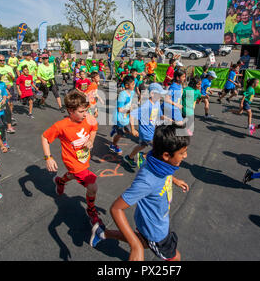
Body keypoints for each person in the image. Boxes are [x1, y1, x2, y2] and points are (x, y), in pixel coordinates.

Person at [90, 124, 190, 262]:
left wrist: (175, 180)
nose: (186, 155)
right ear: (166, 155)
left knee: (144, 242)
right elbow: (116, 208)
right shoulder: (147, 181)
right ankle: (114, 236)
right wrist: (135, 246)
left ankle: (103, 233)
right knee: (174, 258)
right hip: (156, 230)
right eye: (182, 153)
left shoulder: (159, 163)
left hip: (155, 222)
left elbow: (163, 174)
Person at [41, 90, 102, 227]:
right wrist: (48, 158)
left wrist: (91, 140)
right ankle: (91, 210)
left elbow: (94, 128)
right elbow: (45, 137)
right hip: (72, 161)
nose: (85, 114)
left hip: (84, 158)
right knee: (92, 186)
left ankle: (61, 181)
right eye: (81, 112)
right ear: (70, 110)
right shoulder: (61, 126)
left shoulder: (88, 118)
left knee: (74, 175)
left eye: (86, 110)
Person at [123, 83, 167, 168]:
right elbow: (132, 114)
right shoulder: (146, 105)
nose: (161, 96)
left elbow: (160, 115)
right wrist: (133, 129)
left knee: (142, 145)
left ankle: (129, 157)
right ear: (152, 94)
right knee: (159, 148)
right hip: (146, 132)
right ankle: (143, 156)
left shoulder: (157, 103)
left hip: (152, 129)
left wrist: (169, 119)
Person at [109, 76, 136, 155]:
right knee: (120, 134)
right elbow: (119, 109)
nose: (134, 86)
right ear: (127, 86)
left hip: (125, 116)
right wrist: (129, 110)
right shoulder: (122, 94)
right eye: (133, 84)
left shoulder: (132, 92)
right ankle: (113, 145)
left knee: (126, 131)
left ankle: (115, 128)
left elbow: (130, 103)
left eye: (134, 84)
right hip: (119, 117)